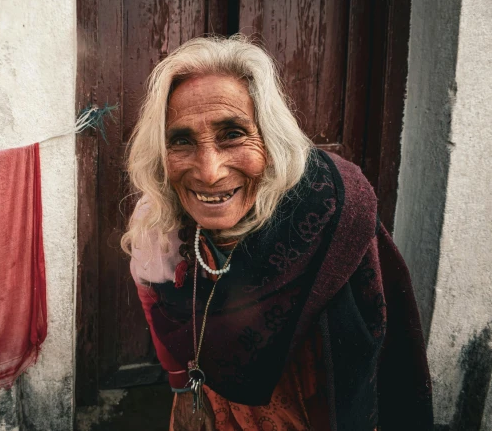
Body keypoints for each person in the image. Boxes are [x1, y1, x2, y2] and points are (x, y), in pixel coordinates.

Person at [123, 35, 433, 431]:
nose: (209, 170)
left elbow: (378, 346)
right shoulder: (160, 220)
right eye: (181, 140)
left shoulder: (330, 214)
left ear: (270, 139)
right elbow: (154, 305)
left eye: (233, 134)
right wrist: (183, 391)